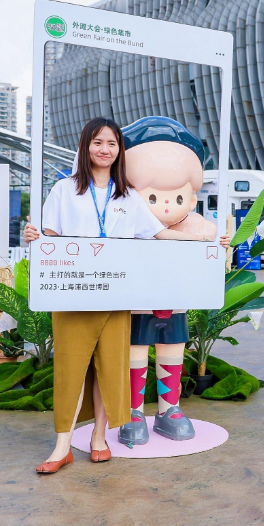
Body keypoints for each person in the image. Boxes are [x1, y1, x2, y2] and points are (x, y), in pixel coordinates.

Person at [23, 117, 222, 475]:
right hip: (74, 296)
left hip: (115, 297)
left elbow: (159, 234)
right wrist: (33, 236)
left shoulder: (127, 196)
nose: (105, 150)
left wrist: (206, 239)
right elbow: (50, 236)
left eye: (112, 144)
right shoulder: (64, 190)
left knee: (109, 369)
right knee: (70, 370)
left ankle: (99, 437)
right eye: (98, 142)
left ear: (120, 151)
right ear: (86, 146)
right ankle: (61, 447)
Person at [119, 116, 229, 444]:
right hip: (137, 303)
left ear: (192, 198)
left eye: (178, 197)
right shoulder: (122, 222)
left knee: (173, 350)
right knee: (135, 351)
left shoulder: (196, 226)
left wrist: (217, 244)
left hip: (175, 304)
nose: (166, 205)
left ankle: (169, 409)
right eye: (152, 197)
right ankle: (133, 411)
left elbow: (207, 246)